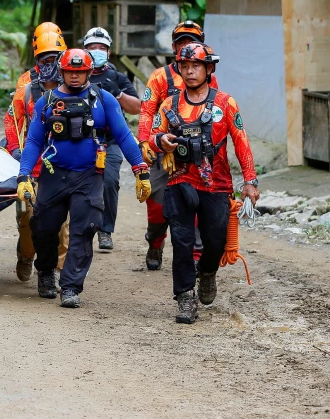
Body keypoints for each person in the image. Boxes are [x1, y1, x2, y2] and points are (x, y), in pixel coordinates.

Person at [18, 48, 151, 308]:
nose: (75, 76)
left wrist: (140, 169)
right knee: (43, 226)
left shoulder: (105, 100)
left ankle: (69, 287)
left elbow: (124, 136)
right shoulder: (46, 101)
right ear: (62, 71)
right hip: (54, 173)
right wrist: (24, 174)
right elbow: (34, 140)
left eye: (80, 72)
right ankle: (45, 270)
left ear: (89, 72)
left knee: (84, 228)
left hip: (90, 175)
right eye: (70, 71)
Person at [148, 42, 259, 324]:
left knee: (216, 241)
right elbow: (151, 136)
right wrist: (161, 141)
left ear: (209, 68)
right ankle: (185, 298)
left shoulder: (225, 103)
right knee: (182, 241)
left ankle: (207, 271)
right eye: (184, 66)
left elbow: (242, 142)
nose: (189, 71)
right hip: (179, 181)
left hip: (217, 184)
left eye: (195, 66)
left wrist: (250, 180)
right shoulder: (168, 104)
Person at [138, 20, 216, 271]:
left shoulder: (208, 77)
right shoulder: (160, 77)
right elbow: (147, 111)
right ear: (174, 46)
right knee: (158, 205)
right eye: (182, 41)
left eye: (192, 41)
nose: (187, 46)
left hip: (196, 152)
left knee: (195, 203)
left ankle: (194, 258)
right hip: (164, 150)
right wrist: (144, 143)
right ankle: (156, 241)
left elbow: (217, 111)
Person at [3, 22, 70, 285]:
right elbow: (12, 121)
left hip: (62, 163)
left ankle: (56, 271)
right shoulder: (27, 86)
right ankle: (26, 254)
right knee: (28, 220)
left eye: (54, 58)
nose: (49, 63)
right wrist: (17, 153)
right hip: (33, 164)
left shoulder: (74, 81)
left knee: (62, 225)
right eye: (44, 58)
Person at [83, 27, 140, 253]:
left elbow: (137, 108)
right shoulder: (74, 73)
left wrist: (117, 93)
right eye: (92, 48)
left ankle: (105, 231)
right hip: (81, 139)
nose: (97, 51)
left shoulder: (117, 77)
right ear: (84, 49)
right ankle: (80, 228)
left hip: (111, 140)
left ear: (109, 51)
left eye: (102, 48)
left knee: (109, 181)